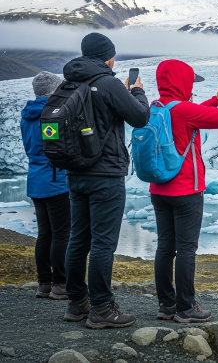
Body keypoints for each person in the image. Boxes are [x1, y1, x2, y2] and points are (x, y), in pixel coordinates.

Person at [149, 59, 218, 323]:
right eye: (190, 82)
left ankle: (166, 305)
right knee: (185, 249)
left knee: (164, 247)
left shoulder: (156, 107)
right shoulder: (183, 110)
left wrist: (215, 99)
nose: (191, 88)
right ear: (181, 82)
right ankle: (186, 307)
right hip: (185, 191)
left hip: (159, 190)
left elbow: (190, 113)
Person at [62, 33, 150, 329]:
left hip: (75, 173)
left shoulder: (70, 81)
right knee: (102, 243)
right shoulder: (109, 83)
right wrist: (137, 91)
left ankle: (77, 302)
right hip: (105, 174)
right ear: (108, 57)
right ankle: (101, 307)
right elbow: (140, 117)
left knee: (78, 239)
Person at [21, 72, 71, 300]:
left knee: (45, 233)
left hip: (36, 179)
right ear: (54, 90)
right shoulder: (51, 115)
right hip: (55, 180)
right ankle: (60, 283)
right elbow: (57, 147)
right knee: (61, 233)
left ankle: (44, 283)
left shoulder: (27, 114)